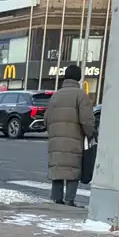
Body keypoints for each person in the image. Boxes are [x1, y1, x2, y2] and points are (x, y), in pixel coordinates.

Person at [45, 64, 95, 206]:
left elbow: (46, 119)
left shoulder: (56, 95)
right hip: (74, 138)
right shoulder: (81, 95)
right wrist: (90, 133)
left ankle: (57, 199)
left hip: (56, 139)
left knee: (58, 168)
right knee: (73, 168)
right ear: (78, 77)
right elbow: (87, 119)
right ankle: (70, 200)